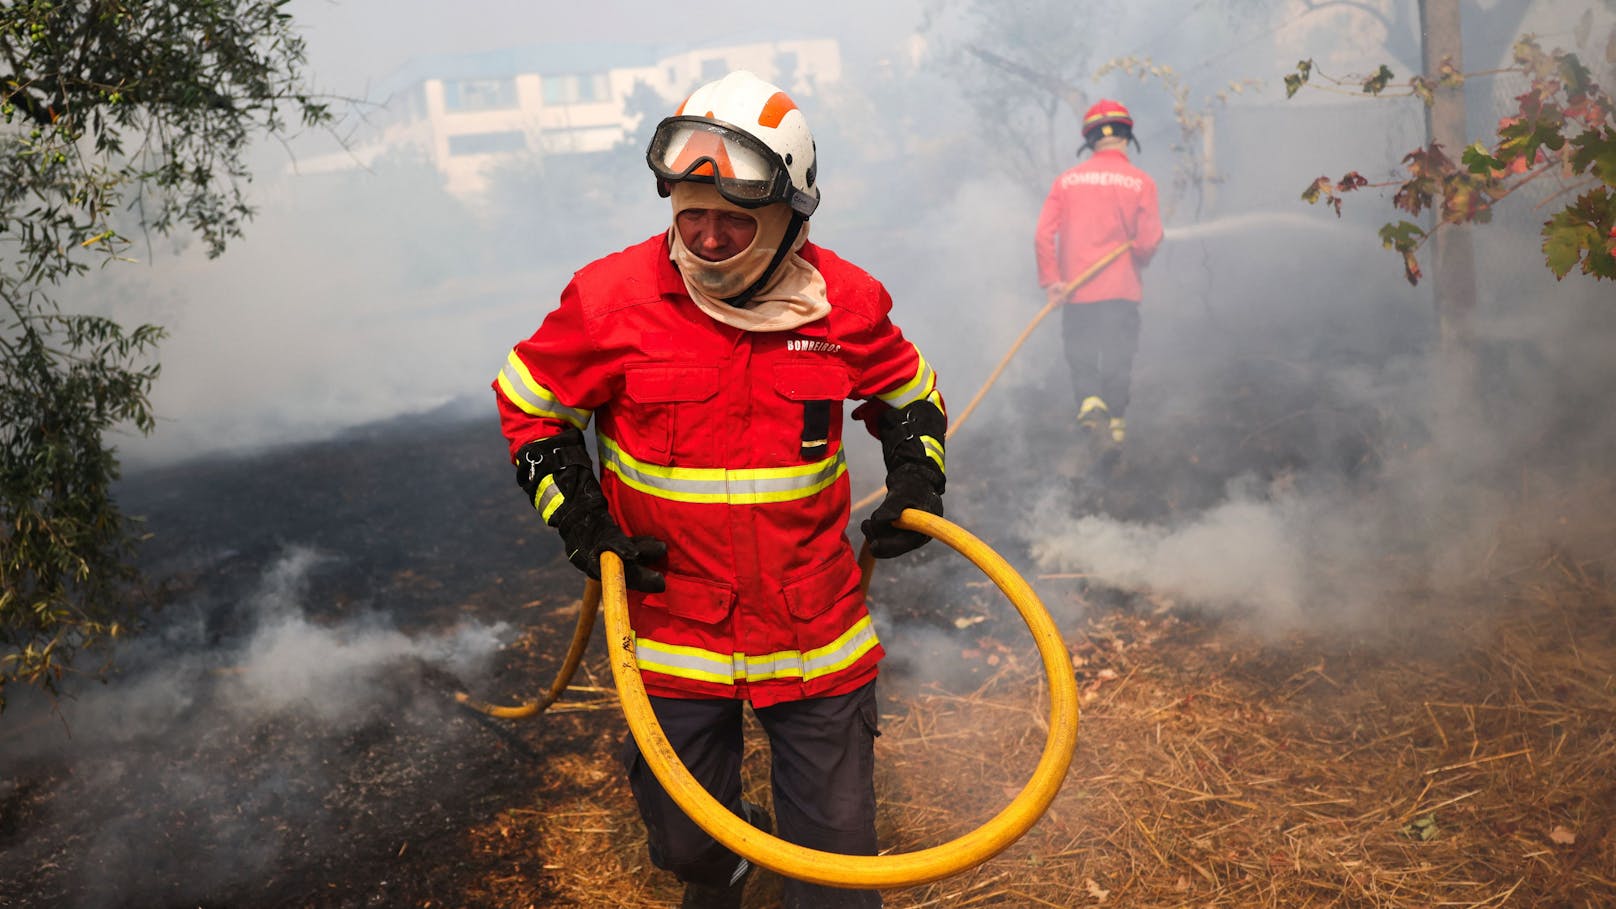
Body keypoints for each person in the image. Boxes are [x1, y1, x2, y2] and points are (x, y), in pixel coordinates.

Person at [491, 70, 947, 909]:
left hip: (816, 633)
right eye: (688, 213)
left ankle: (805, 875)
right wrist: (577, 515)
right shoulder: (611, 300)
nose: (704, 236)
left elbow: (908, 391)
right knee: (688, 842)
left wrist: (918, 473)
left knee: (839, 873)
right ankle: (729, 870)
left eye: (731, 218)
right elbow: (530, 404)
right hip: (673, 632)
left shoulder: (843, 303)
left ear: (788, 214)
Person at [1034, 98, 1163, 449]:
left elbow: (1043, 234)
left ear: (1090, 141)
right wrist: (1138, 253)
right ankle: (1117, 428)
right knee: (1119, 358)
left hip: (1077, 294)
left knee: (1082, 354)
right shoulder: (1141, 182)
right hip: (1121, 292)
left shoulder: (1066, 182)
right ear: (1126, 137)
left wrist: (1052, 281)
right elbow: (1148, 240)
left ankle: (1090, 404)